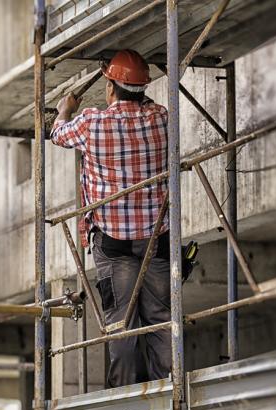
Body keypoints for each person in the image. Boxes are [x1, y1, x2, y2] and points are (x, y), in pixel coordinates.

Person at [50, 49, 190, 388]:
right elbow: (148, 106)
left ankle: (124, 398)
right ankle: (172, 392)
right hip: (156, 239)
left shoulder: (90, 122)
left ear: (110, 87)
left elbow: (57, 134)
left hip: (114, 242)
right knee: (161, 320)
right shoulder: (161, 117)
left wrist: (63, 110)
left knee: (121, 326)